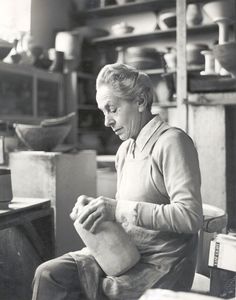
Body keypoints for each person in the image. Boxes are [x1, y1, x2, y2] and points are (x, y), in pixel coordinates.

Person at [31, 63, 203, 300]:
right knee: (48, 274)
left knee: (76, 290)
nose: (106, 121)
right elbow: (130, 209)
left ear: (141, 101)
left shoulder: (172, 142)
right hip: (124, 253)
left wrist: (117, 209)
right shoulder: (125, 150)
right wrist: (99, 209)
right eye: (103, 111)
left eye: (112, 109)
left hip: (160, 265)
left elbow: (190, 217)